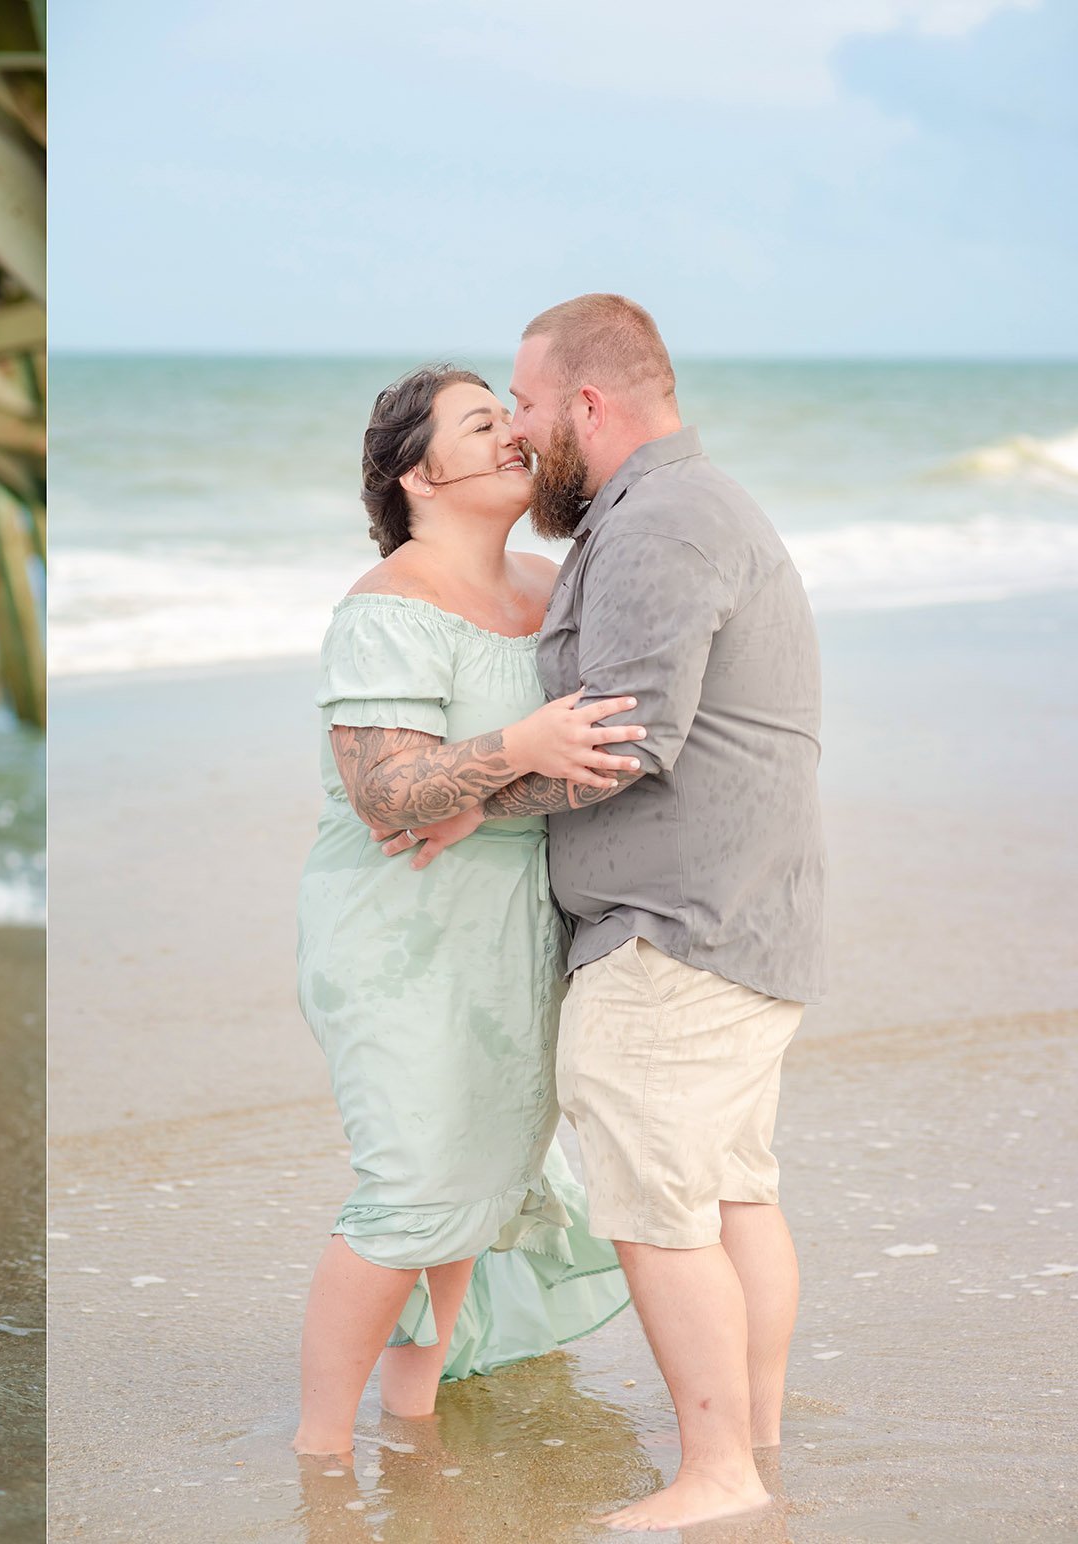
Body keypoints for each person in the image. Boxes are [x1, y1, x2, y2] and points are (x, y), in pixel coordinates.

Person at [393, 295, 823, 1531]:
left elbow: (627, 731)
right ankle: (753, 1438)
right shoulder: (686, 507)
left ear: (587, 402)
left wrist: (475, 793)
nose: (519, 435)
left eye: (524, 405)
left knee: (655, 1198)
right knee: (732, 1185)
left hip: (670, 924)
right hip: (743, 918)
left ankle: (716, 1470)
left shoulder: (661, 521)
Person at [292, 365, 636, 1457]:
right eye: (478, 424)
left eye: (508, 419)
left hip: (514, 928)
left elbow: (596, 753)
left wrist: (510, 774)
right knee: (409, 1180)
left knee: (475, 1183)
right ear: (413, 472)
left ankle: (411, 1418)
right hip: (398, 927)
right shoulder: (385, 605)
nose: (509, 438)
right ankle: (317, 1450)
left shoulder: (543, 584)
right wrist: (515, 748)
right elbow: (384, 793)